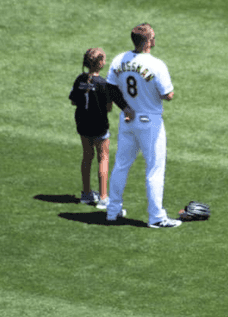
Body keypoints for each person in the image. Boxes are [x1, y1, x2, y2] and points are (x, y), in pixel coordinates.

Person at [105, 23, 181, 228]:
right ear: (147, 42)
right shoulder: (157, 65)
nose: (155, 40)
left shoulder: (119, 60)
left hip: (127, 119)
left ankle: (112, 211)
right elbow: (168, 95)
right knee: (155, 169)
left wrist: (125, 107)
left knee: (121, 165)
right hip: (150, 122)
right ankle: (156, 217)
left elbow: (110, 87)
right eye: (153, 37)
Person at [69, 47, 133, 210]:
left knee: (87, 156)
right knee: (103, 158)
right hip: (99, 126)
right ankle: (103, 197)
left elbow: (73, 101)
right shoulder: (103, 83)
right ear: (99, 63)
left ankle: (86, 193)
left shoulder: (80, 80)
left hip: (83, 124)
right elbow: (109, 108)